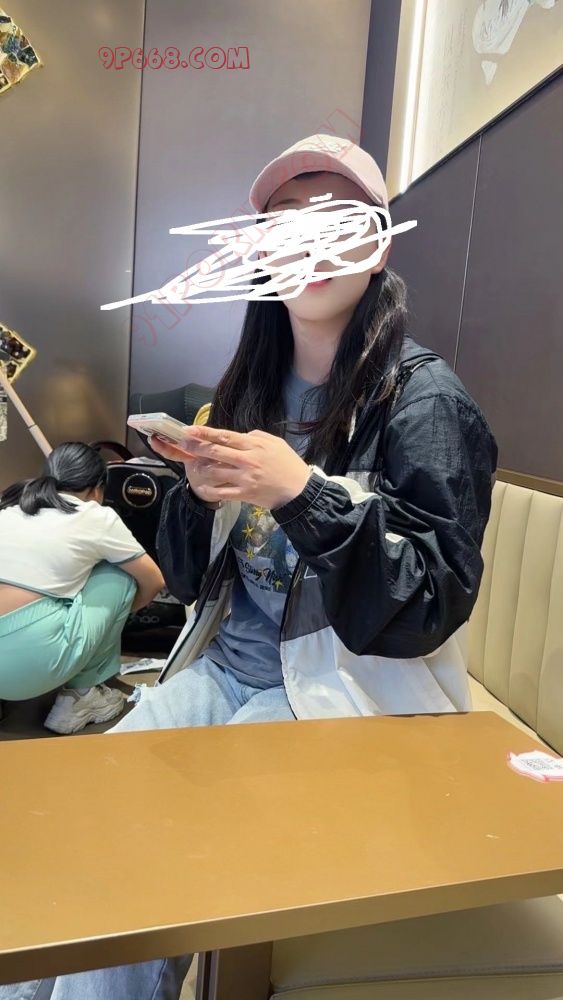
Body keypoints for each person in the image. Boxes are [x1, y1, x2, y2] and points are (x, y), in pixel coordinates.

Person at [2, 134, 497, 999]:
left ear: (378, 246)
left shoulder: (424, 400)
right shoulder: (243, 393)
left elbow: (429, 603)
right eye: (283, 221)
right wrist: (196, 497)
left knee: (147, 864)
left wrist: (301, 492)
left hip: (343, 693)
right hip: (224, 669)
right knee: (72, 831)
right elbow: (194, 583)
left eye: (335, 217)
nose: (308, 238)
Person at [0, 442, 164, 733]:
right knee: (119, 574)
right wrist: (114, 619)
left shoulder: (11, 509)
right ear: (98, 488)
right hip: (30, 668)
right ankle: (81, 697)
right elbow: (154, 581)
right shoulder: (96, 516)